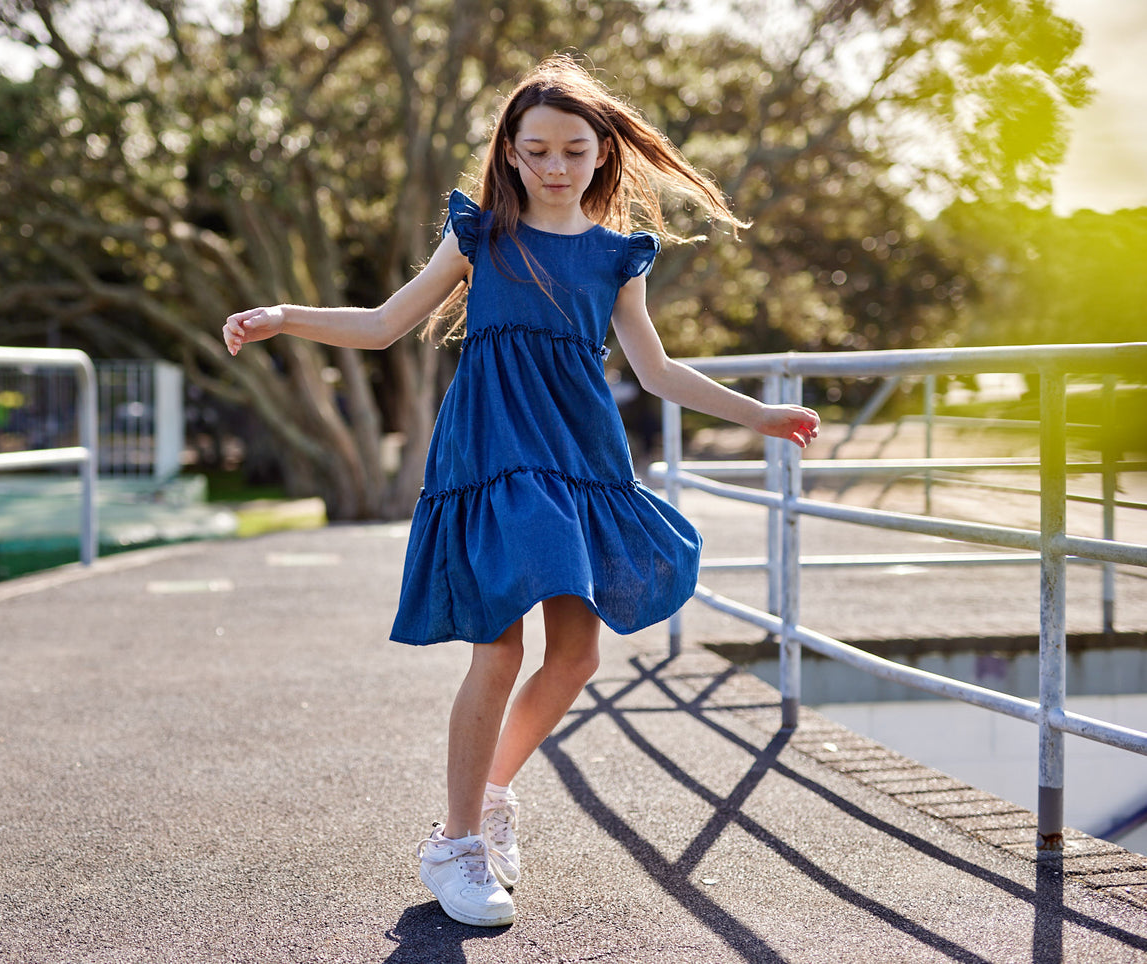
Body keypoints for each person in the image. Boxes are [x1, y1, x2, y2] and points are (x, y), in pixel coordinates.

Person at [222, 54, 820, 928]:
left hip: (580, 456)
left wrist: (759, 416)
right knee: (498, 650)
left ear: (601, 152)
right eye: (533, 148)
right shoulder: (479, 237)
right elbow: (387, 323)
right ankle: (457, 844)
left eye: (572, 150)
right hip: (494, 455)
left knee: (575, 655)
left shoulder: (619, 256)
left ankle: (490, 797)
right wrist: (282, 317)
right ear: (506, 151)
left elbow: (654, 370)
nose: (551, 165)